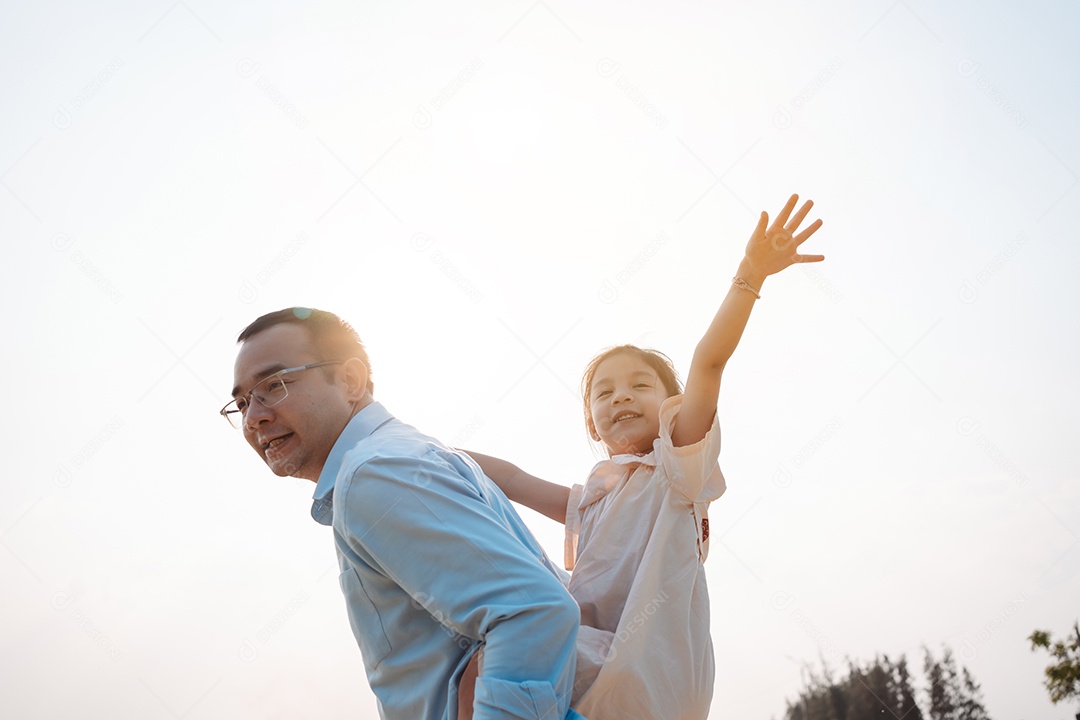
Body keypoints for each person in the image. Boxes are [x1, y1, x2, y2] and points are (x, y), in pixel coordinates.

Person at [463, 194, 825, 719]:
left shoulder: (677, 469)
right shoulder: (589, 500)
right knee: (477, 659)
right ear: (592, 422)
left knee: (496, 654)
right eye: (604, 393)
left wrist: (750, 276)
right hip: (591, 671)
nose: (622, 397)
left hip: (652, 675)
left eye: (639, 385)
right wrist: (426, 451)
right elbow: (513, 479)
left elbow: (708, 364)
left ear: (672, 409)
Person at [223, 307, 586, 720]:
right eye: (242, 402)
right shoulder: (398, 457)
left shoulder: (375, 472)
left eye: (276, 384)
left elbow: (532, 611)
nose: (255, 417)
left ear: (351, 380)